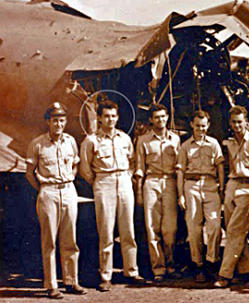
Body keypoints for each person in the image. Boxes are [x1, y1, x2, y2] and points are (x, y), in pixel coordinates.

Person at [25, 102, 87, 299]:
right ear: (48, 122)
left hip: (68, 190)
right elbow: (29, 172)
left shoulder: (70, 142)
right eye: (55, 120)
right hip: (48, 193)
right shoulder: (37, 144)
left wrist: (69, 179)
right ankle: (51, 285)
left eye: (62, 120)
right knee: (49, 240)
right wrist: (43, 188)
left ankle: (71, 281)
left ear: (65, 122)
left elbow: (75, 165)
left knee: (70, 239)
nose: (58, 124)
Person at [80, 100, 143, 292]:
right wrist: (99, 182)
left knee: (128, 230)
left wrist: (127, 176)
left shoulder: (124, 138)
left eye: (113, 116)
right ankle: (105, 275)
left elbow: (131, 161)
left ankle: (131, 271)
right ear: (99, 118)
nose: (110, 120)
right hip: (104, 182)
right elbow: (85, 169)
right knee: (106, 231)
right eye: (106, 116)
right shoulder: (91, 141)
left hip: (123, 180)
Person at [214, 106, 249, 287]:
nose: (237, 126)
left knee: (235, 230)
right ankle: (245, 270)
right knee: (233, 230)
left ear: (246, 121)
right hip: (232, 185)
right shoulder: (228, 142)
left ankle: (225, 274)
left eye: (240, 122)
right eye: (234, 122)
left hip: (248, 186)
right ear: (230, 123)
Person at [177, 110, 224, 282]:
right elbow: (181, 171)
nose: (201, 129)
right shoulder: (185, 146)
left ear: (208, 126)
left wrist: (221, 187)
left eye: (204, 126)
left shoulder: (214, 144)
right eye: (197, 126)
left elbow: (219, 166)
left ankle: (212, 261)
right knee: (194, 227)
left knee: (214, 223)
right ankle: (198, 265)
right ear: (192, 125)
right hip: (191, 185)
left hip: (210, 185)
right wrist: (181, 194)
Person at [135, 104, 181, 282]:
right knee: (152, 227)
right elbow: (139, 168)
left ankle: (171, 264)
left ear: (167, 117)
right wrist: (139, 192)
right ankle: (158, 268)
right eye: (156, 117)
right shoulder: (143, 140)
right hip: (151, 182)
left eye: (163, 117)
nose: (160, 120)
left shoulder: (175, 139)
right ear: (151, 120)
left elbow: (179, 167)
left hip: (169, 182)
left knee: (170, 228)